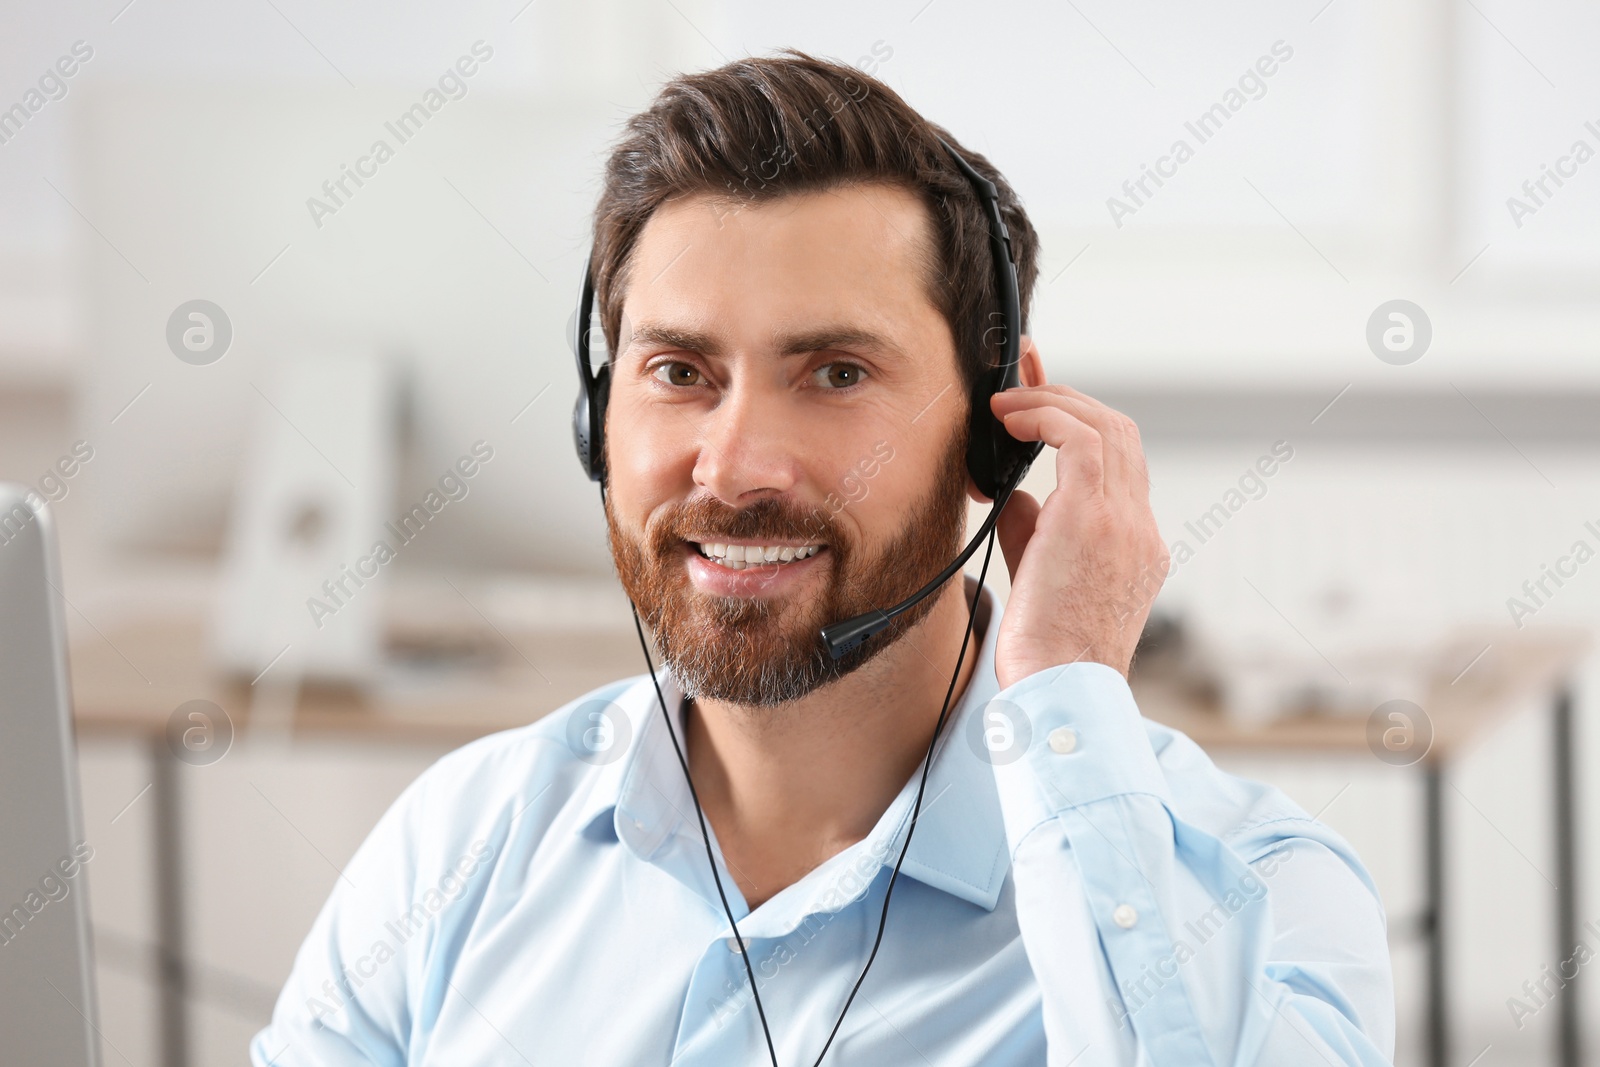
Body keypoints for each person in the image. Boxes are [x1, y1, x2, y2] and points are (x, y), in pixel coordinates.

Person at [251, 49, 1394, 1066]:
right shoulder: (460, 844)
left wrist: (1070, 688)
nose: (736, 467)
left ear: (1000, 426)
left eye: (836, 373)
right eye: (679, 372)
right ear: (597, 416)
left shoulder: (1257, 892)